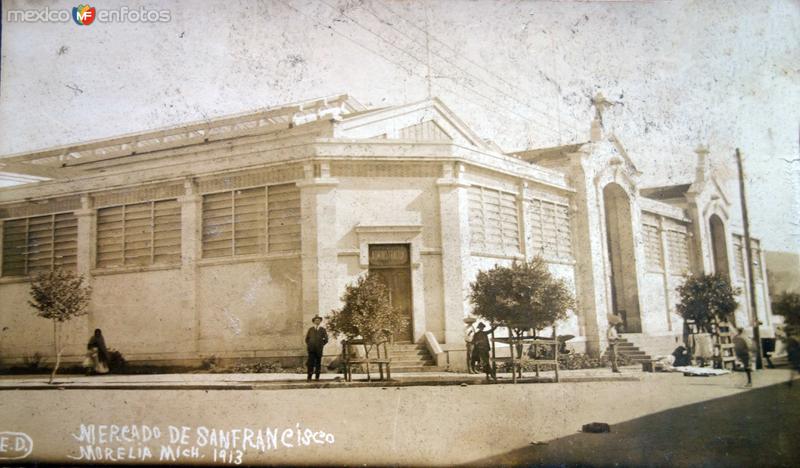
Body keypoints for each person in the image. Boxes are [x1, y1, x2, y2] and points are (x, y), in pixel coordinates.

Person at [305, 315, 328, 381]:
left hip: (319, 350)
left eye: (318, 320)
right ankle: (309, 377)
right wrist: (310, 345)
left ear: (320, 321)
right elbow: (307, 339)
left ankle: (317, 377)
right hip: (311, 349)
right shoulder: (311, 329)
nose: (317, 321)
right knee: (310, 364)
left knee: (318, 364)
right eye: (316, 320)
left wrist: (321, 345)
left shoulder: (322, 330)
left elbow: (326, 339)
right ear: (314, 321)